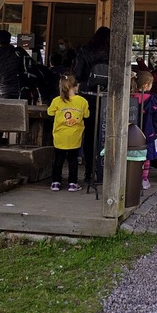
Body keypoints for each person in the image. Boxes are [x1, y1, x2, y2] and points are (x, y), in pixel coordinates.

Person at [73, 26, 110, 182]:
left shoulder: (85, 51)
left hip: (87, 98)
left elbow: (77, 74)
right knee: (105, 136)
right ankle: (103, 172)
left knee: (88, 137)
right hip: (107, 99)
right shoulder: (113, 52)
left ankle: (88, 172)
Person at [47, 74, 89, 192]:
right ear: (76, 87)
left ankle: (55, 182)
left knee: (58, 160)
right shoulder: (82, 101)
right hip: (74, 136)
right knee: (73, 160)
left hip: (60, 135)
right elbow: (86, 115)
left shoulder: (56, 101)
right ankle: (72, 183)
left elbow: (50, 113)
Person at [131, 70, 157, 190]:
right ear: (146, 85)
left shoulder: (130, 96)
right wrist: (156, 128)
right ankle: (144, 179)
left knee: (131, 155)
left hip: (131, 132)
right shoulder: (151, 99)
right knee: (145, 156)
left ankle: (131, 177)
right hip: (147, 131)